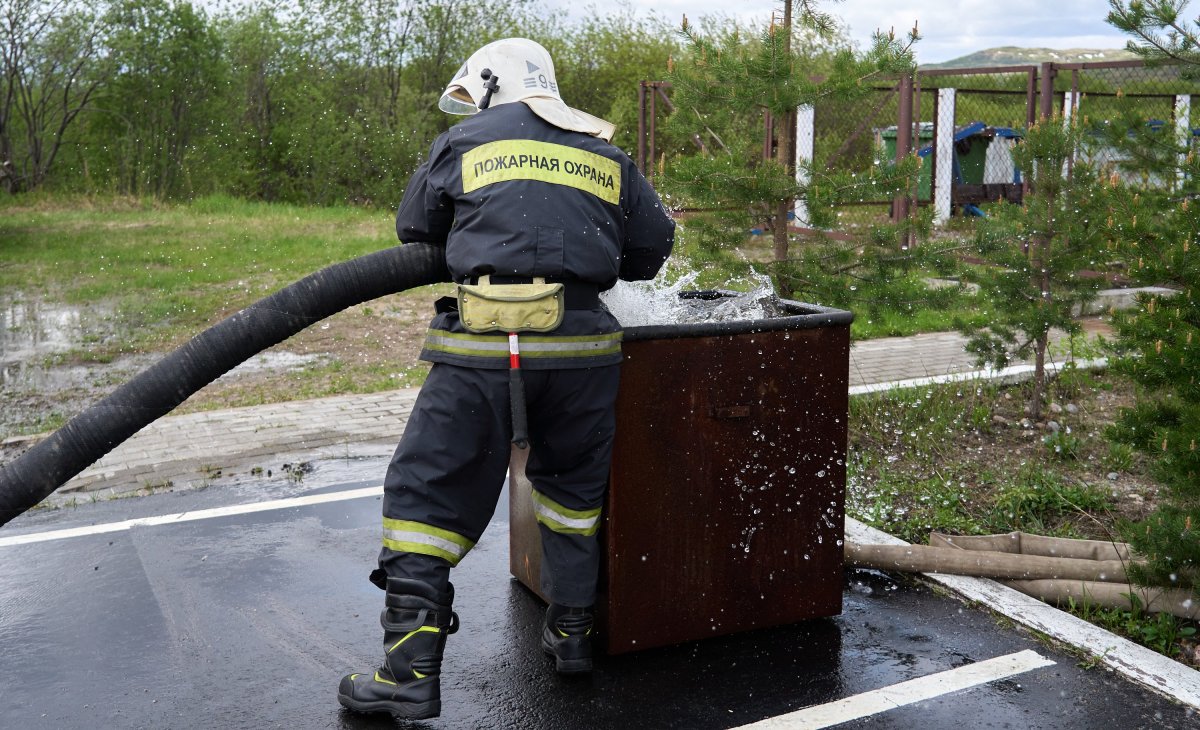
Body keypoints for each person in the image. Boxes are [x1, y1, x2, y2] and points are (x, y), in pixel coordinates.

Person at [337, 38, 675, 721]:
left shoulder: (466, 140)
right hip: (583, 352)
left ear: (492, 84)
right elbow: (649, 252)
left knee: (425, 494)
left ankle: (408, 673)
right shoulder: (604, 152)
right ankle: (571, 634)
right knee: (572, 493)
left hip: (487, 345)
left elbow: (415, 225)